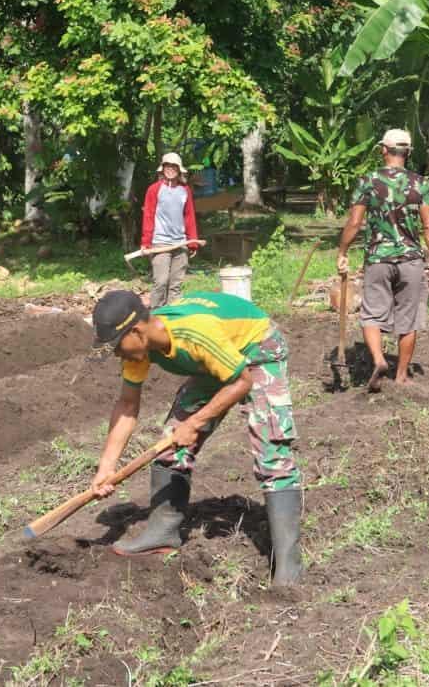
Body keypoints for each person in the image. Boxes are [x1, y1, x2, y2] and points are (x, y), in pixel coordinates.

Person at [88, 289, 303, 586]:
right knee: (169, 443)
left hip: (256, 348)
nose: (117, 354)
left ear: (136, 331)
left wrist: (197, 421)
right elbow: (127, 405)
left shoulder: (194, 333)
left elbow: (242, 381)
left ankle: (289, 565)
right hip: (215, 360)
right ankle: (162, 532)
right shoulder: (139, 347)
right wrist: (106, 467)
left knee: (272, 454)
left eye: (117, 346)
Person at [336, 129, 429, 391]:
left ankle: (378, 360)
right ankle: (400, 376)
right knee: (408, 320)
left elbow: (355, 222)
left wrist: (342, 251)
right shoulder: (421, 183)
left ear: (383, 150)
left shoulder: (368, 181)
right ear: (407, 153)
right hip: (411, 260)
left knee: (372, 314)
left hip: (378, 259)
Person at [141, 153, 203, 307]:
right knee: (160, 283)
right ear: (162, 169)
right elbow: (148, 216)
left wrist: (192, 242)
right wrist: (146, 242)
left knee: (176, 286)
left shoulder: (185, 190)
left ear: (179, 170)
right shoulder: (154, 189)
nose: (170, 169)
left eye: (173, 166)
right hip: (160, 243)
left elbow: (189, 216)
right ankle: (155, 317)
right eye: (167, 166)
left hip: (180, 243)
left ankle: (172, 320)